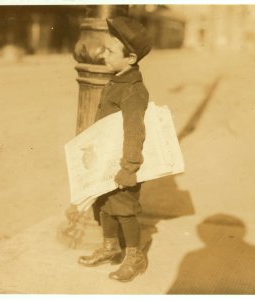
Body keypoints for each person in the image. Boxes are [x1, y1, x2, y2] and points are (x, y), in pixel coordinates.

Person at [78, 16, 152, 282]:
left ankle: (135, 257)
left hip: (122, 165)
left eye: (110, 51)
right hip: (106, 162)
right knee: (105, 206)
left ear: (130, 58)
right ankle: (111, 248)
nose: (103, 54)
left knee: (125, 210)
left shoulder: (132, 90)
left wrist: (129, 168)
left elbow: (135, 132)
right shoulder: (117, 80)